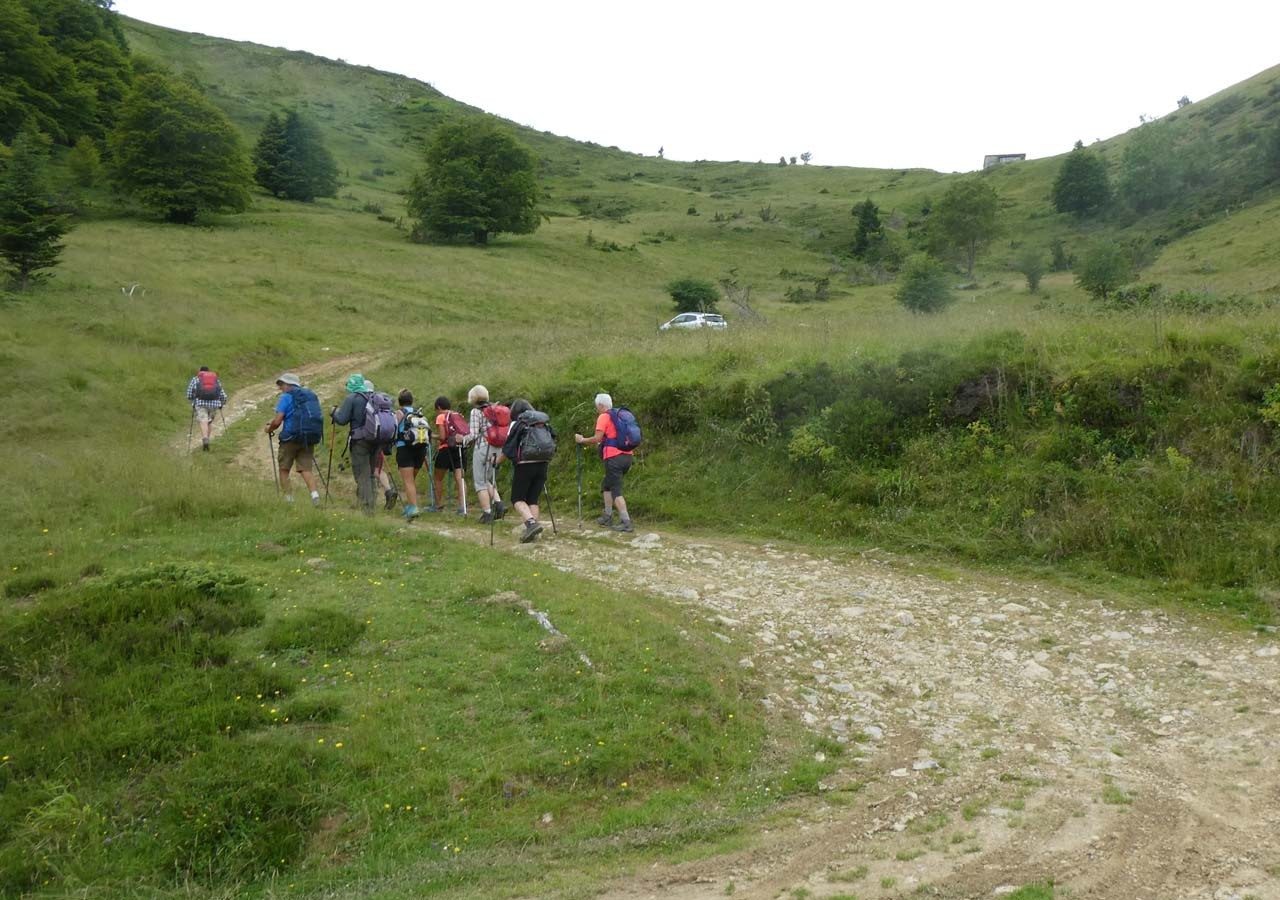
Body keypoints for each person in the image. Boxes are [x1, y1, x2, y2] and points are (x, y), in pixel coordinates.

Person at [496, 398, 555, 543]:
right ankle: (535, 533)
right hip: (543, 463)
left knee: (517, 498)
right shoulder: (543, 423)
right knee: (532, 499)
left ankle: (531, 524)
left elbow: (508, 448)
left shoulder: (518, 424)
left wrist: (496, 462)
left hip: (525, 464)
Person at [574, 392, 635, 533]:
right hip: (627, 456)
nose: (597, 410)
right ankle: (607, 515)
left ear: (601, 405)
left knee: (616, 490)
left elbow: (597, 438)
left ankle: (626, 522)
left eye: (597, 407)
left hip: (613, 458)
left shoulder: (604, 417)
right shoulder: (620, 416)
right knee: (607, 485)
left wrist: (582, 440)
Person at [263, 373, 321, 505]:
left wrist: (269, 429)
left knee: (284, 468)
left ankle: (288, 500)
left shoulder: (286, 397)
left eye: (282, 385)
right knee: (306, 469)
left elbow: (277, 421)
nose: (280, 388)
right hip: (308, 437)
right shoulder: (310, 396)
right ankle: (315, 496)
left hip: (290, 438)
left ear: (289, 384)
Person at [330, 373, 378, 514]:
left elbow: (342, 419)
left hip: (360, 442)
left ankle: (367, 510)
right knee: (370, 473)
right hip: (376, 440)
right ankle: (371, 503)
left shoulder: (352, 398)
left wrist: (334, 413)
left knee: (362, 474)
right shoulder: (373, 397)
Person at [464, 385, 506, 525]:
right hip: (497, 447)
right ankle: (499, 504)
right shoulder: (494, 409)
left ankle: (487, 513)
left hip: (483, 447)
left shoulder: (476, 411)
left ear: (473, 397)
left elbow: (474, 434)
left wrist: (463, 439)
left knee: (480, 482)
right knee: (488, 478)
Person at [393, 389, 429, 519]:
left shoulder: (399, 413)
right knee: (411, 480)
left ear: (399, 401)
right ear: (411, 400)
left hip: (404, 448)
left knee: (408, 481)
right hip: (420, 449)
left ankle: (413, 508)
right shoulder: (419, 414)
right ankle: (410, 505)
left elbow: (394, 429)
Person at [365, 380, 398, 510]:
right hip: (381, 439)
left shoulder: (365, 401)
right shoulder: (381, 401)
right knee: (378, 469)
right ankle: (388, 490)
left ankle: (368, 498)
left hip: (366, 440)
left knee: (367, 469)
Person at [431, 395, 467, 515]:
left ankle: (438, 505)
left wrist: (432, 436)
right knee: (460, 478)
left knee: (438, 478)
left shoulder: (441, 417)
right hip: (460, 448)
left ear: (439, 407)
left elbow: (442, 437)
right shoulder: (458, 416)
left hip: (446, 449)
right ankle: (462, 507)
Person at [185, 365, 227, 451]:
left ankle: (205, 438)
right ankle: (207, 439)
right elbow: (222, 393)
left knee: (203, 420)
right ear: (209, 372)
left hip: (200, 404)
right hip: (213, 404)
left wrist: (193, 400)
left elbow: (189, 394)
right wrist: (222, 402)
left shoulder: (196, 379)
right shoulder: (215, 379)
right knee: (209, 422)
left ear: (200, 372)